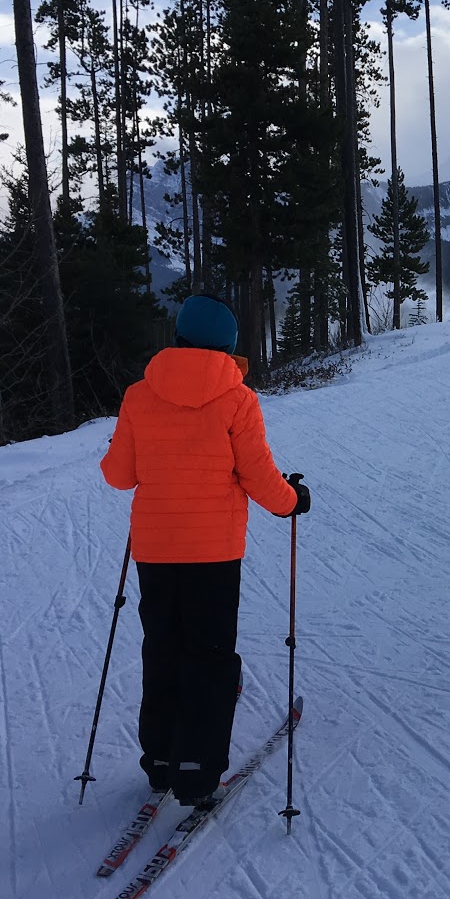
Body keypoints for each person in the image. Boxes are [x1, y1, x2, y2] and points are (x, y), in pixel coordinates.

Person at [99, 294, 311, 807]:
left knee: (163, 651)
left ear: (179, 337)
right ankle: (196, 772)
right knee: (210, 657)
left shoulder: (138, 395)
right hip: (214, 554)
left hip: (155, 551)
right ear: (228, 347)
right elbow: (258, 476)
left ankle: (161, 763)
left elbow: (118, 475)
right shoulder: (237, 398)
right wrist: (292, 501)